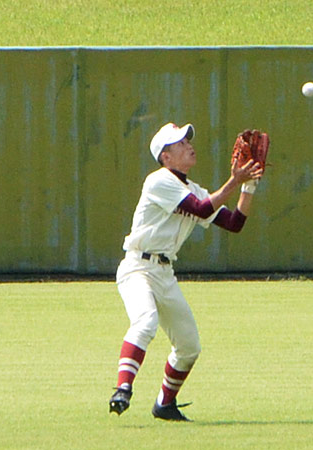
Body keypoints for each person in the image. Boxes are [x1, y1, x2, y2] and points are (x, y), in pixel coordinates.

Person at [109, 122, 263, 421]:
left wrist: (249, 185)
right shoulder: (158, 181)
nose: (188, 145)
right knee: (146, 321)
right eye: (180, 143)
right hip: (138, 267)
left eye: (187, 140)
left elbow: (234, 223)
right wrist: (234, 180)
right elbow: (202, 209)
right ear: (165, 157)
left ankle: (164, 404)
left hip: (164, 273)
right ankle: (123, 388)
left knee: (189, 345)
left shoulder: (194, 189)